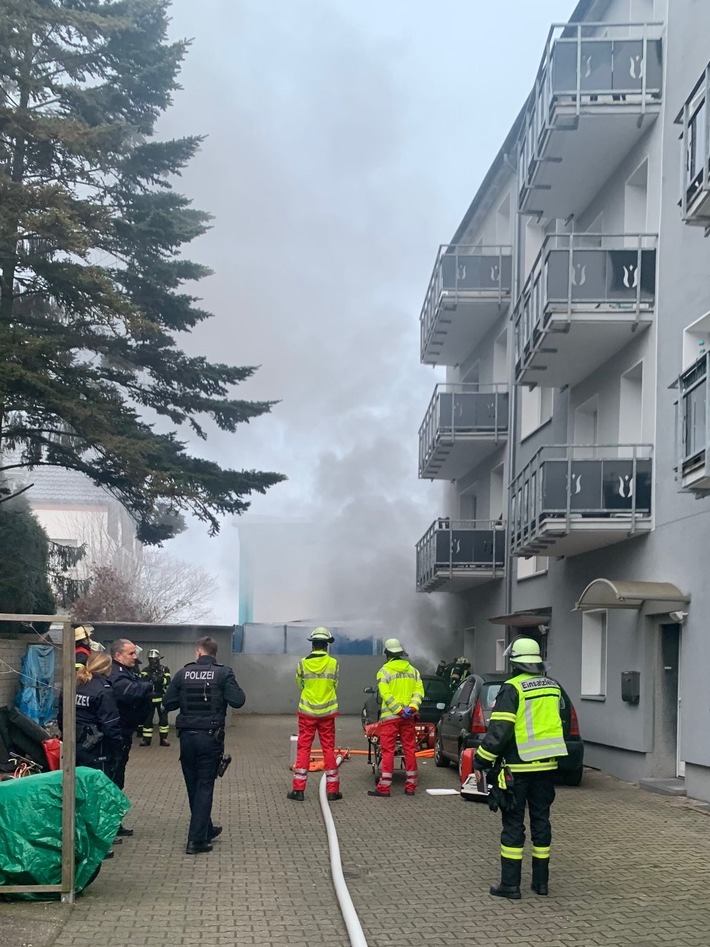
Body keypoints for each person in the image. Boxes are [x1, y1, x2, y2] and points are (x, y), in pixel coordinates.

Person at [473, 636, 568, 900]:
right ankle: (541, 883)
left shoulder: (512, 688)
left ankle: (510, 885)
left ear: (514, 662)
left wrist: (481, 760)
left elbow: (499, 731)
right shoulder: (553, 686)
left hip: (517, 767)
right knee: (541, 821)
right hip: (547, 766)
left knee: (513, 824)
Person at [163, 636, 245, 855]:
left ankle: (206, 828)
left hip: (187, 738)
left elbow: (167, 703)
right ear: (213, 653)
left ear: (198, 652)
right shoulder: (223, 673)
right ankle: (196, 840)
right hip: (210, 738)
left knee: (194, 786)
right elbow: (238, 700)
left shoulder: (182, 674)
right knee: (205, 786)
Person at [59, 651, 124, 860]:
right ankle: (96, 844)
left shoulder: (73, 685)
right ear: (106, 668)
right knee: (95, 795)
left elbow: (62, 717)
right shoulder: (104, 690)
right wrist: (118, 750)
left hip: (74, 746)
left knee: (76, 793)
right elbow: (110, 725)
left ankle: (76, 839)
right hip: (97, 749)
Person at [287, 627, 341, 803]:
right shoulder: (334, 663)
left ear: (313, 644)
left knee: (303, 749)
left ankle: (298, 789)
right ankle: (333, 791)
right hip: (327, 714)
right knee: (328, 750)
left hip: (307, 713)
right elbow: (335, 684)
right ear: (326, 645)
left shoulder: (302, 663)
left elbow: (299, 683)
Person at [106, 638, 154, 837]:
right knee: (112, 779)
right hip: (116, 733)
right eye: (131, 654)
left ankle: (114, 823)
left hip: (125, 732)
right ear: (118, 656)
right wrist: (148, 686)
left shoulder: (127, 671)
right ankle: (108, 827)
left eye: (135, 653)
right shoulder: (115, 673)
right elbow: (128, 693)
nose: (136, 657)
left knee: (118, 779)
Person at [368, 637, 423, 798]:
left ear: (387, 654)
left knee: (388, 751)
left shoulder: (384, 671)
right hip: (409, 717)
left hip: (391, 718)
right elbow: (419, 692)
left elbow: (386, 695)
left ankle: (384, 788)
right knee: (410, 749)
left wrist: (398, 711)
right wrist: (411, 708)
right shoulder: (414, 671)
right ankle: (411, 786)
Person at [140, 649, 172, 746]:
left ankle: (163, 739)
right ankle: (146, 739)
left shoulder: (165, 669)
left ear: (159, 659)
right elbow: (142, 683)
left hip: (161, 698)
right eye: (151, 660)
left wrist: (160, 680)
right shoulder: (145, 670)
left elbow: (168, 681)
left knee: (163, 719)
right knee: (147, 719)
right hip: (149, 699)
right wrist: (149, 679)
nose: (153, 662)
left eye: (155, 660)